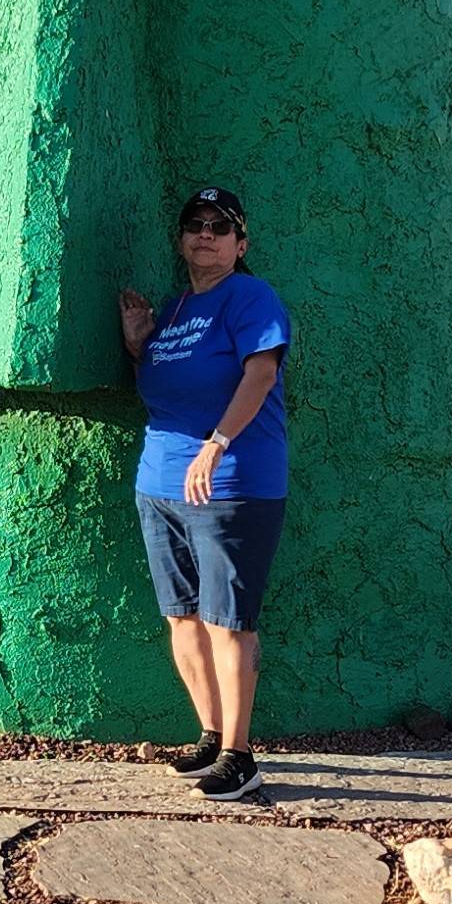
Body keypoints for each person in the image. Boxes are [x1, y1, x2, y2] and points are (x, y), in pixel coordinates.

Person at [119, 187, 291, 800]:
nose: (206, 234)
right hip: (160, 483)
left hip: (231, 483)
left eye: (221, 227)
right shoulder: (173, 309)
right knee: (183, 616)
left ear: (241, 244)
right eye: (196, 224)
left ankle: (241, 757)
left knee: (228, 621)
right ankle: (212, 736)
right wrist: (139, 344)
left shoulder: (251, 297)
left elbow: (261, 373)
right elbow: (166, 385)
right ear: (182, 238)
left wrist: (215, 445)